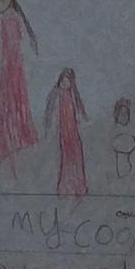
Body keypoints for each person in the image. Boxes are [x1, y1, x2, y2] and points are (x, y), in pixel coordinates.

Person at [0, 0, 40, 178]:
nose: (3, 0)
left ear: (12, 0)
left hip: (14, 69)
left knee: (14, 103)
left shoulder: (13, 18)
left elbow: (24, 45)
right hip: (6, 70)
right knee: (6, 105)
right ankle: (9, 141)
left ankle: (16, 138)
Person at [43, 67, 88, 199]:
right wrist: (48, 128)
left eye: (68, 81)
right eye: (63, 80)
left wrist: (83, 119)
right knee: (65, 160)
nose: (65, 83)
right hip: (62, 133)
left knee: (76, 156)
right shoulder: (55, 94)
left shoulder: (73, 94)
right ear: (60, 80)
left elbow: (80, 111)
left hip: (73, 131)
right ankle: (65, 188)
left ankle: (78, 186)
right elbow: (49, 112)